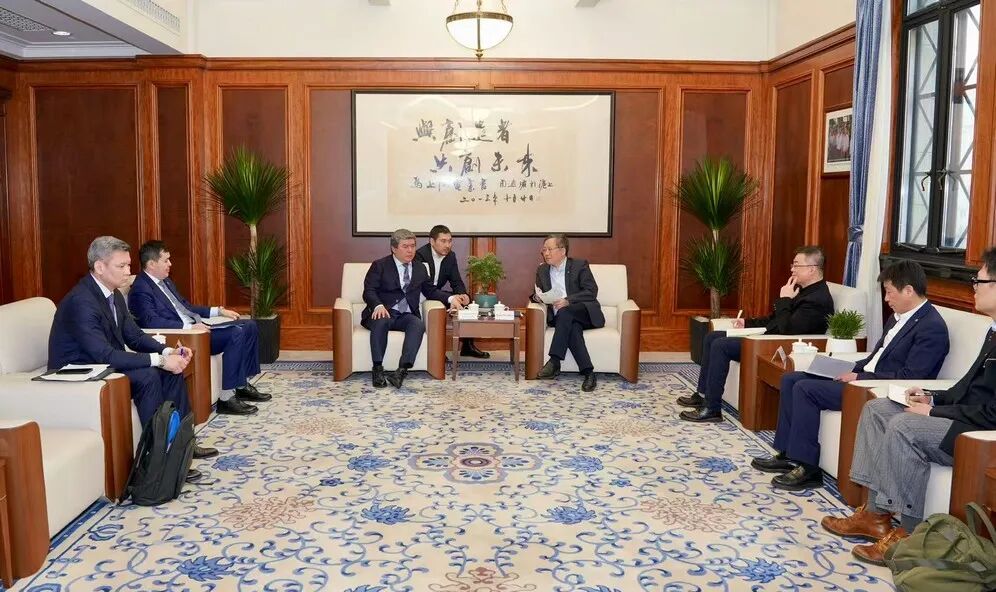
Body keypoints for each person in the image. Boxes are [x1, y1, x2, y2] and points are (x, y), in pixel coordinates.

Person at [820, 247, 996, 566]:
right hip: (962, 418)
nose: (974, 286)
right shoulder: (993, 330)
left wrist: (933, 412)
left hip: (977, 433)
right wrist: (931, 397)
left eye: (979, 280)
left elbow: (992, 413)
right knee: (878, 409)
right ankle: (874, 516)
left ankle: (908, 535)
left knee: (903, 425)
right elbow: (967, 387)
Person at [751, 260, 949, 491]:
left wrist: (859, 378)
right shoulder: (898, 317)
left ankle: (808, 468)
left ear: (908, 290)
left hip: (876, 390)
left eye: (889, 292)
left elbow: (911, 376)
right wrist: (850, 367)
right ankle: (787, 453)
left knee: (805, 389)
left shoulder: (931, 327)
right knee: (791, 378)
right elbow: (876, 358)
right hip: (864, 377)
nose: (886, 299)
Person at [47, 236, 216, 482]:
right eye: (122, 266)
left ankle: (180, 446)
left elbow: (134, 336)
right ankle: (156, 461)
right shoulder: (81, 301)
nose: (129, 271)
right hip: (79, 371)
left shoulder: (113, 294)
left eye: (128, 265)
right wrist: (158, 361)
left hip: (102, 364)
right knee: (148, 375)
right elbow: (103, 354)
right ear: (99, 267)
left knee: (173, 371)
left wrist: (168, 352)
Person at [679, 246, 835, 423]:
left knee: (720, 345)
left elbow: (788, 330)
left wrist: (784, 299)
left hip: (778, 347)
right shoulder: (803, 291)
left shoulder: (818, 299)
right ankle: (702, 395)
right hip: (768, 339)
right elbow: (774, 319)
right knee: (712, 336)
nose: (792, 269)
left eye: (796, 265)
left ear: (812, 269)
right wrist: (747, 322)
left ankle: (712, 408)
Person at [128, 240, 270, 416]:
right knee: (235, 333)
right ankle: (226, 399)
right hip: (184, 336)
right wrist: (189, 327)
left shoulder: (165, 282)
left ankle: (241, 386)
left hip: (196, 328)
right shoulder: (140, 289)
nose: (170, 264)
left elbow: (186, 307)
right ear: (151, 264)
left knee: (249, 325)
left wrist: (218, 311)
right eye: (166, 260)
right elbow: (151, 322)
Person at [362, 228, 458, 389]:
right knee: (381, 320)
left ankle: (401, 371)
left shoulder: (420, 268)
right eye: (405, 246)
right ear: (394, 248)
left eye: (413, 246)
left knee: (417, 324)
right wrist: (377, 305)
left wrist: (451, 298)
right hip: (384, 311)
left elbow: (431, 291)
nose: (410, 250)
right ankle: (377, 369)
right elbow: (369, 291)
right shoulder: (380, 265)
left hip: (405, 315)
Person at [530, 234, 604, 392]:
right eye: (544, 250)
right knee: (572, 328)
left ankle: (554, 360)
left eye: (549, 249)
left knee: (565, 312)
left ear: (562, 251)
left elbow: (591, 291)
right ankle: (589, 373)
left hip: (583, 312)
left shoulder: (579, 265)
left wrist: (568, 300)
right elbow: (537, 292)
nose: (546, 253)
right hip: (561, 318)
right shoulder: (542, 270)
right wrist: (537, 297)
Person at [414, 224, 488, 358]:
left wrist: (462, 295)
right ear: (432, 241)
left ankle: (467, 346)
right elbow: (426, 288)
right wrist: (451, 298)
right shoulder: (419, 256)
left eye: (449, 241)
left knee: (468, 301)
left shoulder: (450, 256)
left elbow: (456, 281)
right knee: (447, 300)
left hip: (436, 293)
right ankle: (437, 351)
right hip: (421, 294)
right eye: (443, 241)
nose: (447, 245)